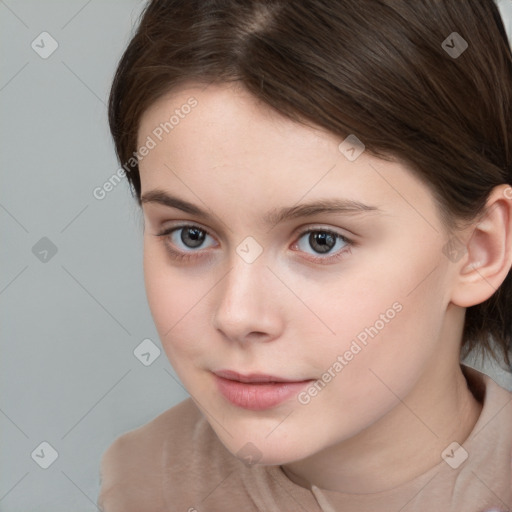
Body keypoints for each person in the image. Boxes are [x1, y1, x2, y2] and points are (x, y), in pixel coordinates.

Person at [97, 1, 512, 510]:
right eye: (190, 235)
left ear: (478, 250)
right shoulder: (143, 481)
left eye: (321, 240)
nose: (237, 315)